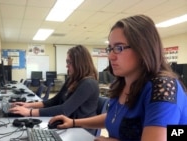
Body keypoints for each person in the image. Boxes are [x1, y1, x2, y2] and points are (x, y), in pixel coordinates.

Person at [49, 15, 187, 141]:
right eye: (110, 48)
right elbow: (115, 117)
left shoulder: (162, 88)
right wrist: (74, 122)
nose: (110, 56)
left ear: (143, 49)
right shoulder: (122, 83)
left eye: (119, 48)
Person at [9, 45, 99, 133]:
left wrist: (30, 112)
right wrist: (28, 105)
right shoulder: (72, 79)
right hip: (68, 124)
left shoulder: (89, 83)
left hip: (81, 130)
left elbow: (64, 110)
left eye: (69, 62)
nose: (66, 66)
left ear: (79, 63)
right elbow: (55, 100)